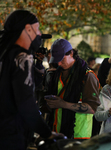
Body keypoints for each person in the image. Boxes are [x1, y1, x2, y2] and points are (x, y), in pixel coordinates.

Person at [0, 10, 63, 150]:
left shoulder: (4, 53)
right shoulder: (22, 56)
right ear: (28, 29)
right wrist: (46, 133)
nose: (39, 34)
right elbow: (25, 100)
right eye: (37, 29)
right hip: (10, 134)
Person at [44, 39, 101, 139]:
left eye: (62, 59)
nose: (59, 64)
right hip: (57, 133)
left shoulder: (87, 76)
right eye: (57, 60)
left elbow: (92, 108)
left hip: (78, 136)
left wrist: (63, 104)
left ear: (71, 53)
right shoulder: (56, 74)